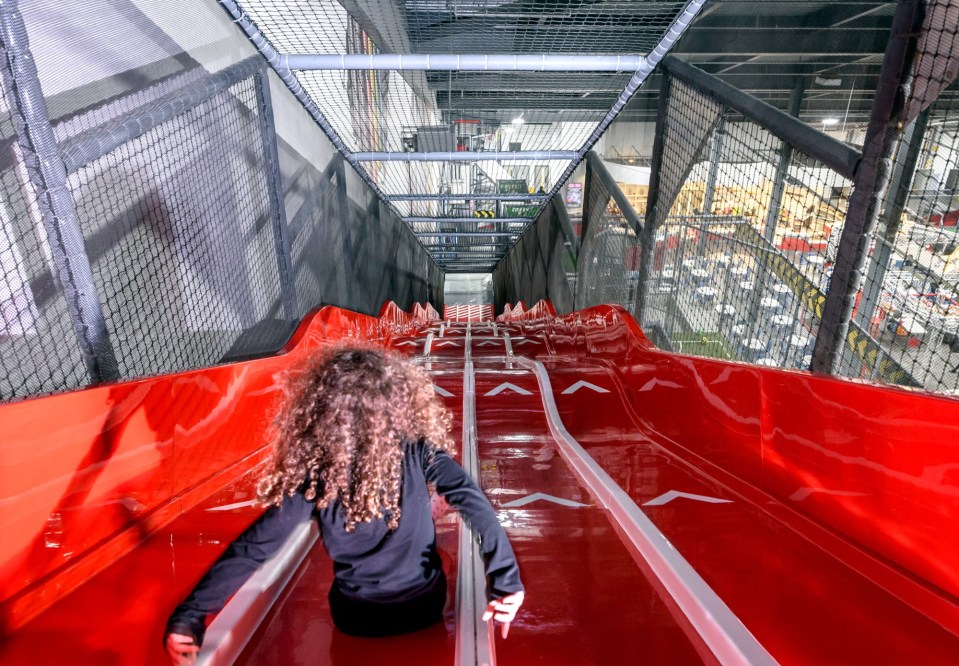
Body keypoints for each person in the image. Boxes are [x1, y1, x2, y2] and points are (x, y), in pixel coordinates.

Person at [164, 346, 524, 664]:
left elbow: (255, 547)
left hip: (356, 618)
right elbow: (473, 501)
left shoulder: (318, 474)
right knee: (437, 551)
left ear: (321, 412)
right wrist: (505, 581)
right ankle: (424, 512)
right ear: (396, 402)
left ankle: (422, 512)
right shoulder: (419, 448)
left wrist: (190, 616)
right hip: (422, 608)